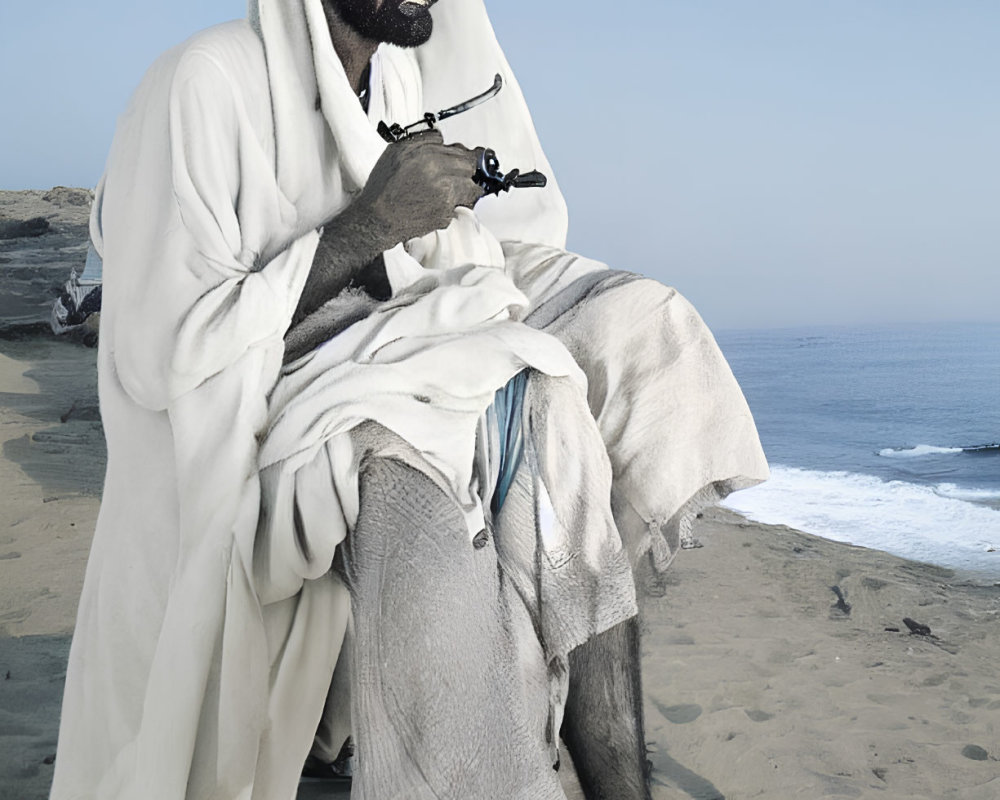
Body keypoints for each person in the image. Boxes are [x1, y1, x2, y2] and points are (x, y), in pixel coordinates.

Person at [51, 1, 768, 798]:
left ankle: (610, 775)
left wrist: (437, 233)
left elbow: (450, 263)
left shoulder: (398, 79)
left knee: (617, 346)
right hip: (272, 404)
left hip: (405, 337)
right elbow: (169, 350)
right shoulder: (206, 81)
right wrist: (373, 224)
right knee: (422, 455)